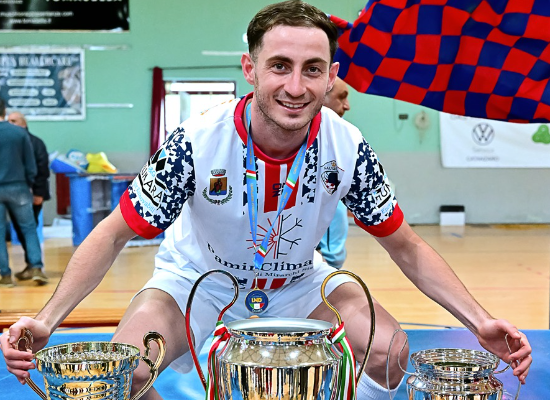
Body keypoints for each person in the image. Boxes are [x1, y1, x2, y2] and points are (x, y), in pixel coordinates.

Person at [0, 2, 531, 399]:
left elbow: (407, 246)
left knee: (390, 352)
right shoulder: (195, 143)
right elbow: (114, 232)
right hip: (197, 280)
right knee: (127, 372)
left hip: (299, 281)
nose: (296, 86)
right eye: (280, 65)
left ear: (331, 76)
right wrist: (47, 320)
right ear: (250, 69)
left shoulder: (346, 145)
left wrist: (479, 321)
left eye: (313, 69)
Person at [0, 100, 45, 288]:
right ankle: (36, 268)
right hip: (19, 187)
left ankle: (5, 275)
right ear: (4, 111)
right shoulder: (19, 133)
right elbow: (31, 164)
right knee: (29, 228)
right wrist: (29, 182)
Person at [318, 77, 350, 268]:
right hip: (320, 265)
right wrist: (330, 263)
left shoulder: (344, 138)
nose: (347, 106)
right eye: (341, 97)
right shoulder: (325, 146)